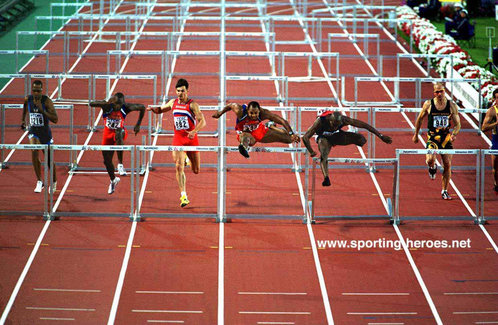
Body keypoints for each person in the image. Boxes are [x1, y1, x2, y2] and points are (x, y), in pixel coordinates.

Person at [148, 78, 206, 207]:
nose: (180, 93)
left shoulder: (193, 105)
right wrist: (153, 109)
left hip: (191, 139)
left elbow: (203, 121)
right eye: (178, 91)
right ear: (176, 91)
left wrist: (194, 131)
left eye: (183, 91)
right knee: (178, 166)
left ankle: (187, 158)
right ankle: (183, 196)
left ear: (187, 91)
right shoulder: (173, 102)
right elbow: (162, 109)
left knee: (196, 170)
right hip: (178, 139)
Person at [302, 110, 392, 186]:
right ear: (330, 120)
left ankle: (352, 140)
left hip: (337, 136)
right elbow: (305, 137)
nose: (335, 126)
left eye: (337, 125)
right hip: (324, 138)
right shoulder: (320, 121)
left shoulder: (344, 119)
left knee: (361, 139)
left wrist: (381, 136)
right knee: (324, 153)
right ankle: (326, 178)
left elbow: (365, 125)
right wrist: (311, 151)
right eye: (333, 125)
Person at [412, 83, 461, 200]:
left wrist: (454, 134)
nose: (439, 94)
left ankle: (444, 190)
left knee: (447, 164)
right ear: (434, 93)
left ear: (445, 91)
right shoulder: (428, 104)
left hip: (445, 139)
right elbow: (419, 119)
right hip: (433, 137)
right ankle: (432, 167)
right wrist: (416, 134)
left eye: (441, 91)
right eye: (437, 92)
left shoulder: (451, 105)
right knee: (429, 159)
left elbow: (458, 124)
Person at [89, 93, 145, 194]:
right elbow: (92, 104)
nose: (119, 107)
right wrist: (103, 103)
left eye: (121, 104)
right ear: (113, 102)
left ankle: (120, 164)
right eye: (117, 104)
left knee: (119, 131)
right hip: (107, 135)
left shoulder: (125, 107)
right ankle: (113, 180)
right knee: (106, 161)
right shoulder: (107, 106)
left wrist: (138, 124)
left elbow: (142, 107)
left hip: (120, 133)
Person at [212, 101, 300, 158]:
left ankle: (271, 127)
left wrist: (292, 134)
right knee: (246, 138)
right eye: (251, 113)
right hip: (244, 132)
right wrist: (220, 113)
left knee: (288, 140)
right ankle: (244, 148)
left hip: (259, 131)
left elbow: (282, 121)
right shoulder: (240, 111)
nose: (254, 115)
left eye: (256, 113)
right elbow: (230, 105)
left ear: (259, 111)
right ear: (247, 110)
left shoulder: (264, 113)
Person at [21, 80, 58, 193]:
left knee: (49, 160)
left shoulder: (46, 101)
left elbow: (55, 119)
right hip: (33, 131)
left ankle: (54, 181)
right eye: (34, 90)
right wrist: (23, 121)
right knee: (34, 150)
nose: (36, 93)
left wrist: (43, 111)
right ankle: (39, 181)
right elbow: (24, 110)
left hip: (45, 133)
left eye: (38, 91)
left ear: (42, 90)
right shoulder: (28, 99)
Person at [481, 88, 498, 194]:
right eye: (497, 98)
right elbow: (484, 127)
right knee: (496, 168)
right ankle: (496, 184)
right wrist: (496, 123)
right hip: (497, 142)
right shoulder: (492, 111)